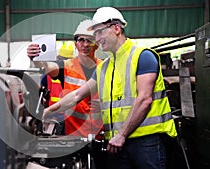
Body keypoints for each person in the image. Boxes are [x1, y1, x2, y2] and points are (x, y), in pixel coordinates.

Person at [42, 7, 177, 169]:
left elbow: (144, 99)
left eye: (99, 32)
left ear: (116, 28)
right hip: (117, 144)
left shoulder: (143, 56)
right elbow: (77, 95)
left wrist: (122, 135)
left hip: (145, 142)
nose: (96, 39)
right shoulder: (104, 68)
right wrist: (47, 111)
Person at [27, 19, 103, 138]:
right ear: (75, 44)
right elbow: (47, 67)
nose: (85, 44)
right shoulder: (66, 66)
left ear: (97, 45)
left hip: (102, 136)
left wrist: (106, 104)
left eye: (90, 40)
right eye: (81, 40)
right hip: (74, 135)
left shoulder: (105, 68)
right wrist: (36, 59)